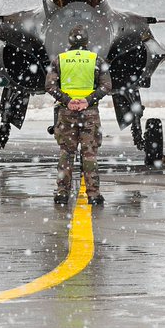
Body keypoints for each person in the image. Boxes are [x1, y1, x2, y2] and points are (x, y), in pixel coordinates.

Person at [45, 24, 112, 206]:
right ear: (87, 40)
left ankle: (61, 193)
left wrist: (67, 100)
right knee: (89, 154)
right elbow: (106, 86)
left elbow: (49, 86)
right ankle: (94, 194)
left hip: (67, 112)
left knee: (66, 153)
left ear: (70, 40)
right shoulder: (96, 60)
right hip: (89, 112)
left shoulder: (60, 60)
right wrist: (87, 101)